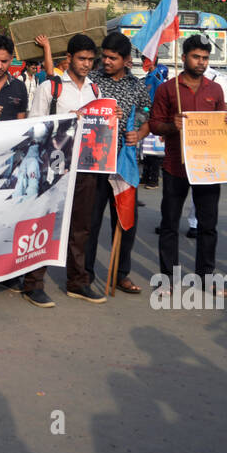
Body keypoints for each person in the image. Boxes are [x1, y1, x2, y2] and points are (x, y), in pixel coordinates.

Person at [149, 34, 227, 293]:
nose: (201, 62)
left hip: (208, 166)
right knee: (170, 224)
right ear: (184, 58)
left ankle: (205, 276)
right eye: (196, 57)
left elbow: (222, 126)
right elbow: (155, 123)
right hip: (175, 166)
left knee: (208, 226)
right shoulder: (167, 89)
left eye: (205, 58)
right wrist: (173, 125)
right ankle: (168, 278)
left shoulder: (215, 90)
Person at [23, 33, 112, 306]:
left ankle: (77, 281)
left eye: (90, 60)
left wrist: (111, 117)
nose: (86, 64)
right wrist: (67, 121)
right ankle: (33, 283)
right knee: (45, 223)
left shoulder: (95, 90)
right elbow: (34, 126)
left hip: (85, 165)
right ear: (68, 58)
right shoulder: (51, 88)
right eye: (81, 59)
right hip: (53, 164)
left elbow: (101, 127)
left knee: (81, 226)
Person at [86, 32, 151, 294]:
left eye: (113, 57)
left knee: (125, 221)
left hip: (124, 165)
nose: (106, 61)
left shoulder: (137, 87)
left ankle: (120, 273)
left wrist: (140, 133)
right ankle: (85, 273)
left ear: (125, 60)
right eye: (105, 56)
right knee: (90, 222)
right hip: (95, 161)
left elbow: (148, 118)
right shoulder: (91, 81)